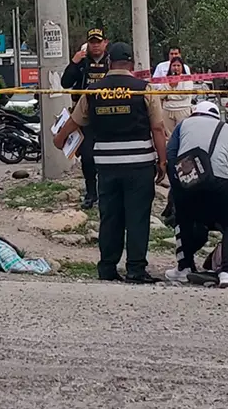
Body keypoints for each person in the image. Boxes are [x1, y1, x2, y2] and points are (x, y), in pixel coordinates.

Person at [54, 41, 167, 284]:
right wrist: (162, 161)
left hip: (106, 165)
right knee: (137, 217)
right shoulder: (143, 89)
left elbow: (75, 121)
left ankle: (107, 267)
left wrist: (59, 139)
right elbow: (157, 128)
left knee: (110, 217)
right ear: (132, 64)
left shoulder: (93, 91)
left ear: (109, 62)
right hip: (139, 164)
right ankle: (135, 269)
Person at [164, 101, 228, 288]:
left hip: (188, 182)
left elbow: (171, 156)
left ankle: (184, 268)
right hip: (220, 184)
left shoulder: (183, 125)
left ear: (195, 113)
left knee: (183, 220)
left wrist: (177, 187)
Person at [60, 28, 110, 209]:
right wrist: (73, 63)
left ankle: (106, 192)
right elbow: (65, 83)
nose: (95, 45)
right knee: (87, 157)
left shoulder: (111, 62)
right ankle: (90, 194)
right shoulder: (81, 62)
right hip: (85, 116)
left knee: (107, 156)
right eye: (92, 42)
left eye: (98, 42)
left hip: (108, 114)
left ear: (105, 42)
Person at [157, 57, 193, 136]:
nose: (176, 68)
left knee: (182, 134)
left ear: (182, 67)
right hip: (167, 110)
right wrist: (170, 86)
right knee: (170, 136)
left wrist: (168, 97)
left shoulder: (187, 78)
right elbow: (160, 95)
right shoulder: (166, 79)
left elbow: (183, 95)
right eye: (174, 65)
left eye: (178, 65)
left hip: (182, 110)